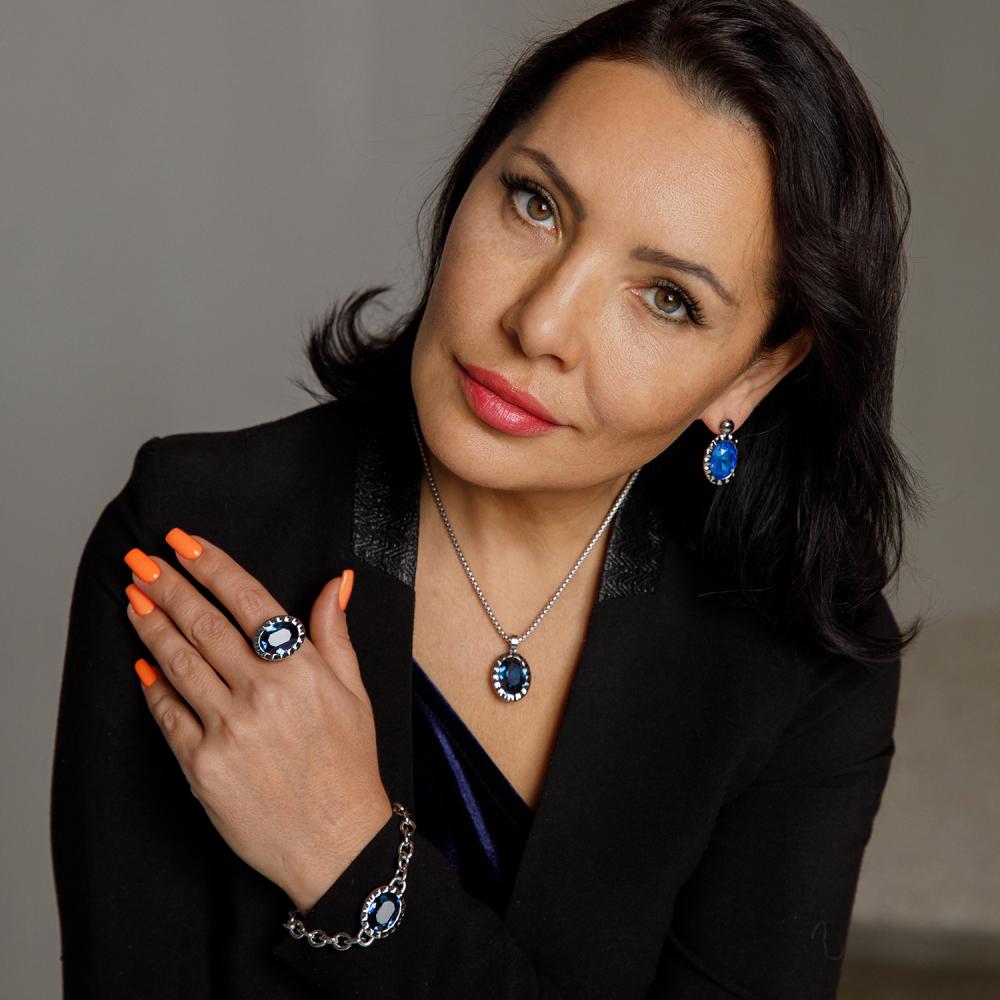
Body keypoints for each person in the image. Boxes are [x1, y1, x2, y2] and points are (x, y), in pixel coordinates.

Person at [50, 0, 926, 997]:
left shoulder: (800, 662)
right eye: (535, 203)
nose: (540, 323)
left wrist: (350, 861)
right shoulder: (197, 539)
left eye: (667, 298)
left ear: (755, 372)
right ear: (474, 176)